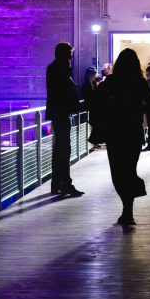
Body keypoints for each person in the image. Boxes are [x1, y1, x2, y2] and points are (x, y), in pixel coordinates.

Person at [96, 49, 150, 227]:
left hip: (115, 132)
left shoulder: (111, 82)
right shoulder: (140, 82)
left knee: (117, 171)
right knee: (129, 170)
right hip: (133, 132)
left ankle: (126, 209)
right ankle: (128, 210)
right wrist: (139, 111)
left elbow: (96, 101)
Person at [45, 42, 84, 197]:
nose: (71, 59)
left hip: (59, 113)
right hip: (61, 113)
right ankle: (65, 183)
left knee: (60, 149)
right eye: (69, 55)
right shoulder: (58, 70)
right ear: (62, 55)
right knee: (63, 149)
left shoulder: (55, 69)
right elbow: (64, 90)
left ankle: (57, 183)